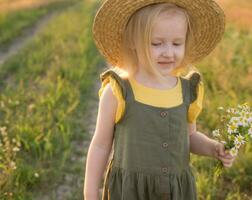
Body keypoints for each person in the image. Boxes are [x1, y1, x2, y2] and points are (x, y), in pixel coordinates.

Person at [84, 0, 236, 199]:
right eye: (156, 43)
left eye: (177, 43)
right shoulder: (118, 91)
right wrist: (90, 192)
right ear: (132, 41)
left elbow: (189, 137)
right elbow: (101, 145)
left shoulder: (187, 91)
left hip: (176, 191)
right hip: (130, 191)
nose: (168, 52)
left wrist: (213, 148)